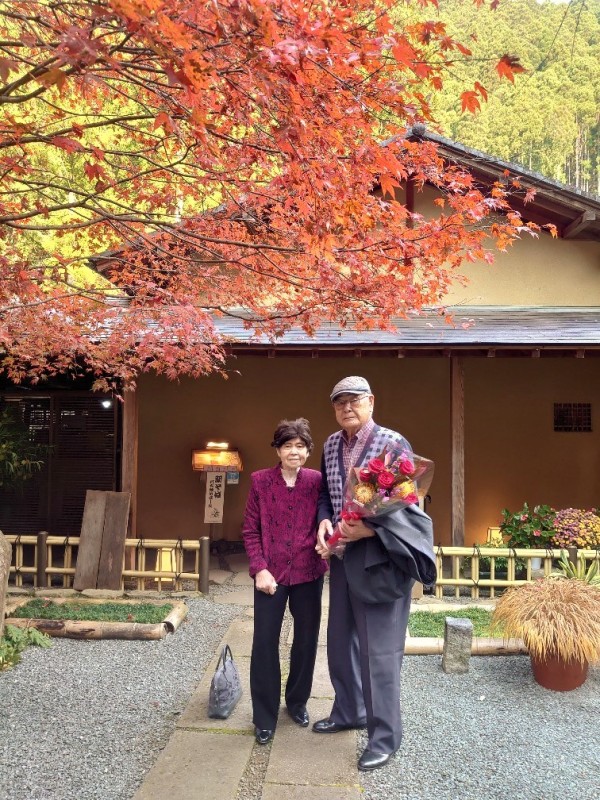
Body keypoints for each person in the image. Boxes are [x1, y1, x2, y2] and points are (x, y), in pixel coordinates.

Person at [313, 376, 436, 772]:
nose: (346, 407)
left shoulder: (392, 442)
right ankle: (350, 711)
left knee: (380, 653)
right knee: (339, 643)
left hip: (381, 561)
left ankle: (385, 737)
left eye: (354, 400)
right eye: (339, 402)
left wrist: (371, 528)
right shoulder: (331, 445)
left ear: (371, 402)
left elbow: (408, 500)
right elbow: (325, 496)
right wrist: (324, 522)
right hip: (344, 558)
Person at [242, 417, 327, 746]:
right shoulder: (260, 481)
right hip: (270, 574)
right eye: (287, 445)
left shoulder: (316, 481)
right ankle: (264, 716)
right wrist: (259, 568)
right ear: (277, 449)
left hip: (309, 572)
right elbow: (250, 530)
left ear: (308, 451)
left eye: (300, 446)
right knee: (264, 643)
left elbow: (327, 515)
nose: (294, 451)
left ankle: (297, 702)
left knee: (306, 641)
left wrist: (327, 540)